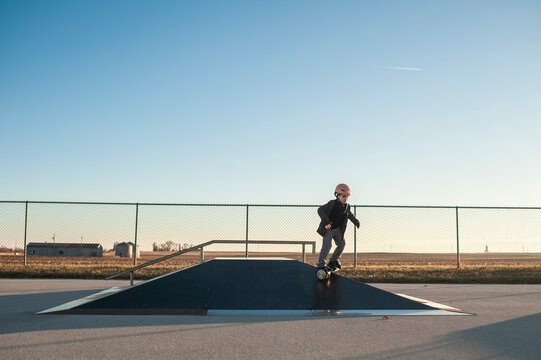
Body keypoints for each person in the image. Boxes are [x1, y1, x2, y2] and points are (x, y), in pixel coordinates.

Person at [316, 183, 360, 270]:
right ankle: (321, 265)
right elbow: (320, 210)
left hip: (338, 230)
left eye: (347, 196)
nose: (345, 198)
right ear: (337, 195)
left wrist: (356, 221)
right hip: (329, 229)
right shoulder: (332, 203)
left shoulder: (347, 206)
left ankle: (333, 260)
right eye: (343, 196)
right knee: (327, 246)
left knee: (341, 244)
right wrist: (326, 221)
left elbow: (349, 214)